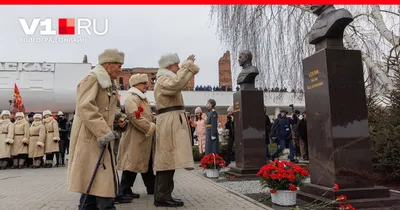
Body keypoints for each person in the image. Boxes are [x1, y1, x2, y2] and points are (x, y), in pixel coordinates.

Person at [67, 48, 126, 210]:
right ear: (108, 65)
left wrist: (118, 119)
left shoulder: (108, 83)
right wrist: (105, 132)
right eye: (118, 65)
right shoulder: (93, 79)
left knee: (93, 184)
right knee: (99, 184)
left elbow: (106, 109)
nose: (120, 69)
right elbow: (85, 107)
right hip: (91, 138)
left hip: (99, 138)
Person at [153, 53, 199, 207]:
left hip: (171, 121)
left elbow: (177, 82)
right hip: (169, 122)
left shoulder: (165, 78)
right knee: (166, 159)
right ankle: (161, 196)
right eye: (176, 65)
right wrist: (187, 66)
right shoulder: (163, 80)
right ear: (168, 66)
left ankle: (164, 195)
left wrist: (186, 66)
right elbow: (176, 84)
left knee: (169, 159)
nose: (178, 67)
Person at [118, 73, 156, 201]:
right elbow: (135, 116)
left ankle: (151, 186)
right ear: (136, 85)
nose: (146, 86)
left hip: (143, 137)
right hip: (135, 137)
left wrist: (154, 119)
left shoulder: (141, 98)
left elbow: (145, 116)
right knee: (132, 163)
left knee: (145, 162)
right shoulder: (132, 99)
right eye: (144, 84)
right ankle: (124, 189)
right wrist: (148, 127)